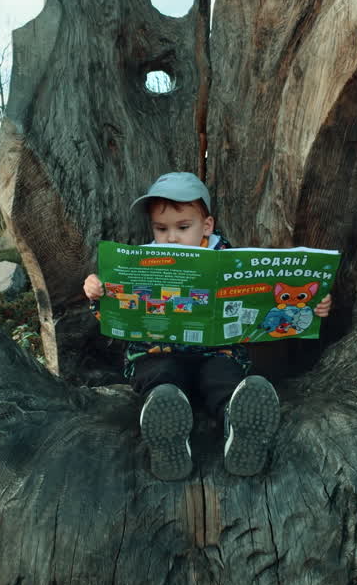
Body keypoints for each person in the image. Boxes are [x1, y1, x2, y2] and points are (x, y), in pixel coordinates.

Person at [83, 172, 332, 481]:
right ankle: (166, 425)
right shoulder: (141, 263)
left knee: (223, 377)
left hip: (217, 352)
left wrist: (314, 304)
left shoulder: (229, 260)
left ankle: (237, 423)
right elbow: (114, 315)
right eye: (161, 229)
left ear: (207, 226)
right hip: (157, 352)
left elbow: (276, 303)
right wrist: (97, 293)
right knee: (161, 377)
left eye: (183, 227)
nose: (171, 237)